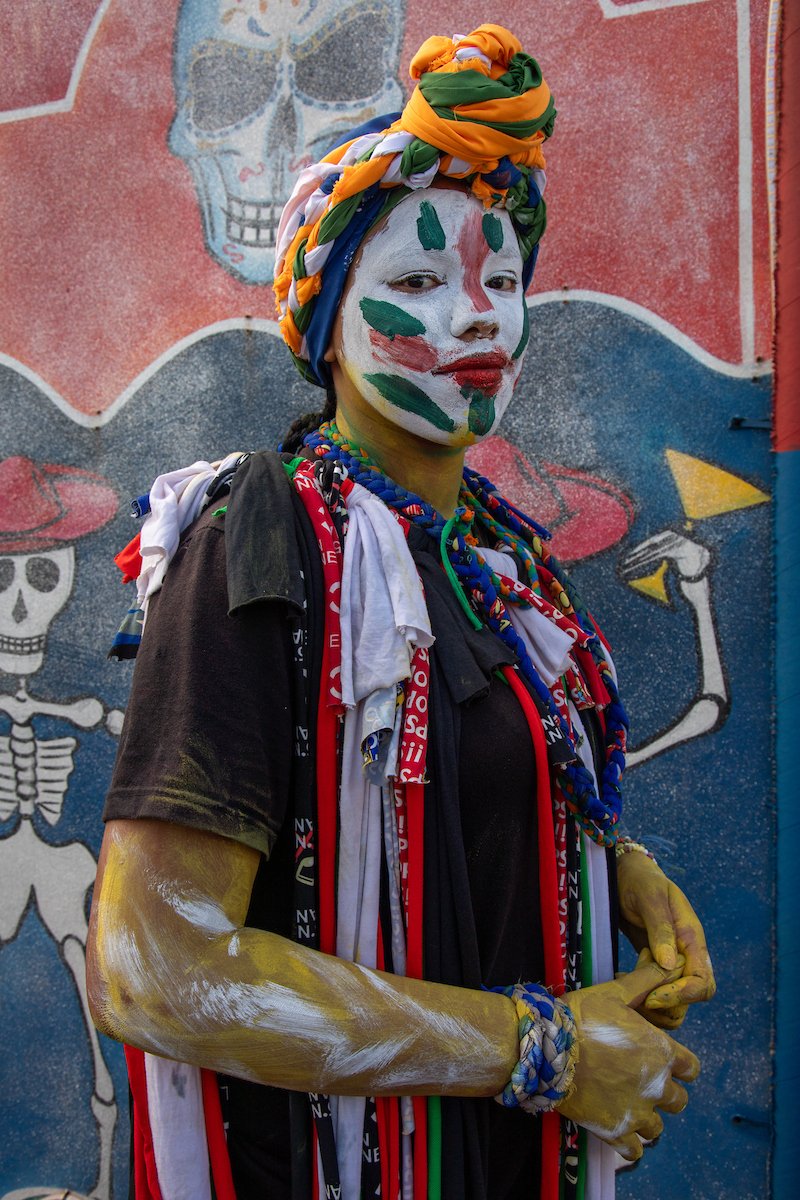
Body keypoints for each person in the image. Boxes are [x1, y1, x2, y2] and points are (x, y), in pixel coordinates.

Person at [87, 24, 715, 1200]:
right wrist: (550, 1051)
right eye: (417, 283)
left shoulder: (495, 555)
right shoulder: (255, 541)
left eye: (500, 280)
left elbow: (467, 771)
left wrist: (607, 860)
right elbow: (150, 967)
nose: (474, 317)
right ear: (323, 332)